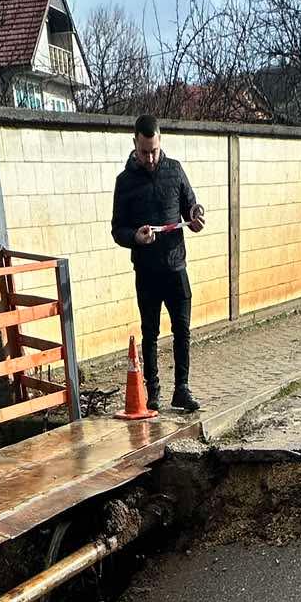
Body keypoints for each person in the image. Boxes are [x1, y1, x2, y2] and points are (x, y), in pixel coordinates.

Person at [110, 113, 206, 415]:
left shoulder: (175, 171)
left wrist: (195, 215)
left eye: (153, 150)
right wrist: (135, 238)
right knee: (150, 333)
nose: (150, 158)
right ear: (134, 144)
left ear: (160, 141)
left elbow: (191, 205)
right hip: (147, 271)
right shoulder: (124, 183)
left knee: (182, 330)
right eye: (143, 151)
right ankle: (153, 393)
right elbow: (117, 229)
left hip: (176, 267)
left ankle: (182, 389)